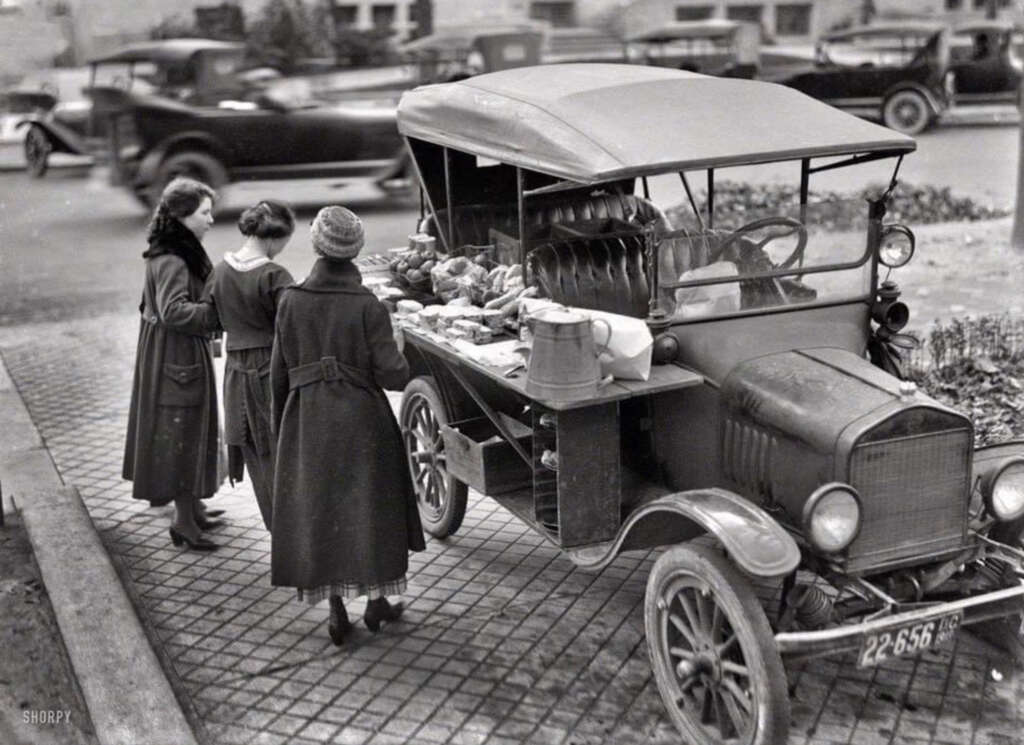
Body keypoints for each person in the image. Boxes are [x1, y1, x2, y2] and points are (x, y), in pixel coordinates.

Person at [269, 205, 425, 645]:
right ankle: (377, 601)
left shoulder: (291, 301)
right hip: (362, 420)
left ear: (317, 245)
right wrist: (398, 342)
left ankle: (336, 609)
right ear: (354, 251)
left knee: (324, 512)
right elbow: (393, 376)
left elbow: (278, 375)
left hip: (307, 420)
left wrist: (283, 426)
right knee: (370, 510)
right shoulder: (367, 306)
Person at [123, 177, 223, 551]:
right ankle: (184, 524)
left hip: (174, 352)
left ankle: (192, 507)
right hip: (175, 355)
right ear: (182, 216)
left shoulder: (174, 248)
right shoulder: (174, 257)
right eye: (204, 213)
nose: (211, 219)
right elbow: (172, 311)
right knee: (183, 431)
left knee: (189, 428)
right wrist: (216, 314)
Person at [206, 200, 295, 531]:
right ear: (274, 236)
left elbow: (212, 319)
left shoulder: (219, 271)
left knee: (254, 450)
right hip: (269, 367)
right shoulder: (275, 275)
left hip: (235, 372)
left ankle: (275, 526)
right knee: (281, 448)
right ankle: (291, 531)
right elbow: (292, 328)